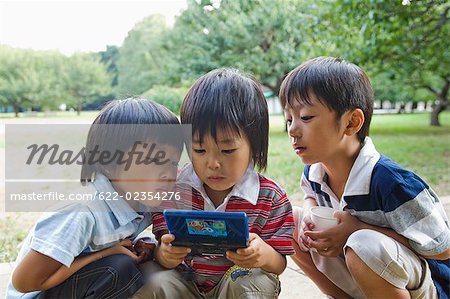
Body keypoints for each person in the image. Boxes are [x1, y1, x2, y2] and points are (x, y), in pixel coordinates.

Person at [280, 56, 450, 299]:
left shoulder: (391, 183)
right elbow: (309, 195)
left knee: (364, 244)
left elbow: (442, 249)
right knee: (287, 221)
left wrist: (357, 228)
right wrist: (309, 213)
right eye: (289, 119)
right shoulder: (315, 171)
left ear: (352, 122)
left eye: (306, 117)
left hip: (426, 287)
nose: (293, 130)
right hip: (364, 276)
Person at [133, 68, 295, 299]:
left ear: (255, 145)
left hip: (236, 286)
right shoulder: (172, 191)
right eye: (199, 150)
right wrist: (163, 255)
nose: (213, 163)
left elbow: (279, 263)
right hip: (184, 286)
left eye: (227, 150)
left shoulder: (270, 198)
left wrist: (263, 255)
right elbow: (162, 244)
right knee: (149, 277)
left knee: (254, 280)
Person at [7, 98, 184, 298]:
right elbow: (24, 281)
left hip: (74, 285)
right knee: (119, 269)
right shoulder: (83, 212)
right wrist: (106, 253)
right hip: (37, 293)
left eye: (172, 161)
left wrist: (143, 244)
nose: (167, 173)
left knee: (134, 268)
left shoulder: (141, 200)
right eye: (153, 160)